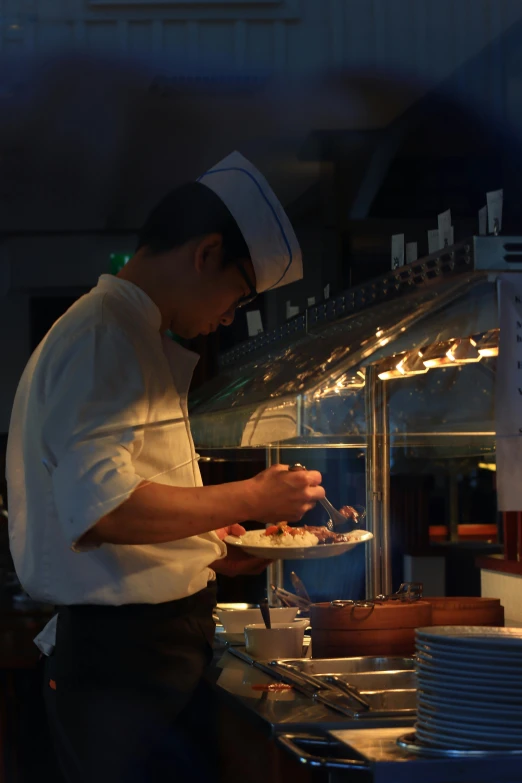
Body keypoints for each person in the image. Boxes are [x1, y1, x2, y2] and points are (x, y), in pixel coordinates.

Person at [6, 151, 324, 783]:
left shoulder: (133, 332)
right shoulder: (104, 333)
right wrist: (249, 498)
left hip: (150, 653)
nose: (228, 317)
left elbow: (130, 489)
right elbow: (104, 508)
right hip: (126, 662)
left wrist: (212, 544)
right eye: (237, 296)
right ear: (206, 253)